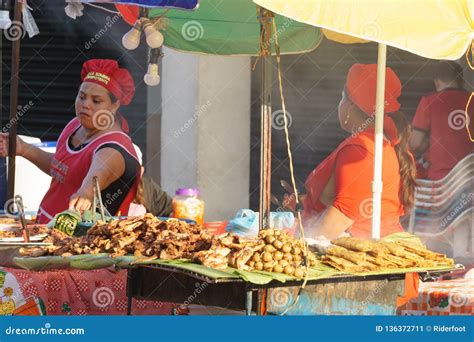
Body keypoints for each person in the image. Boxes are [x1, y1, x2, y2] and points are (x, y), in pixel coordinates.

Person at [0, 59, 141, 223]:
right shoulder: (75, 125)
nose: (85, 105)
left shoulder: (113, 148)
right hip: (43, 231)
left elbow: (99, 172)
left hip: (77, 242)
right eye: (82, 97)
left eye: (96, 100)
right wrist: (23, 149)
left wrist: (86, 193)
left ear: (114, 105)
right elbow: (63, 170)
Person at [301, 63, 417, 240]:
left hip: (362, 252)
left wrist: (297, 248)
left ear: (351, 107)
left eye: (341, 97)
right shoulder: (379, 141)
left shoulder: (362, 149)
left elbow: (340, 218)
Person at [410, 61, 473, 180]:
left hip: (440, 179)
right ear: (461, 82)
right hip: (469, 177)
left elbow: (415, 143)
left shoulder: (429, 101)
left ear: (437, 82)